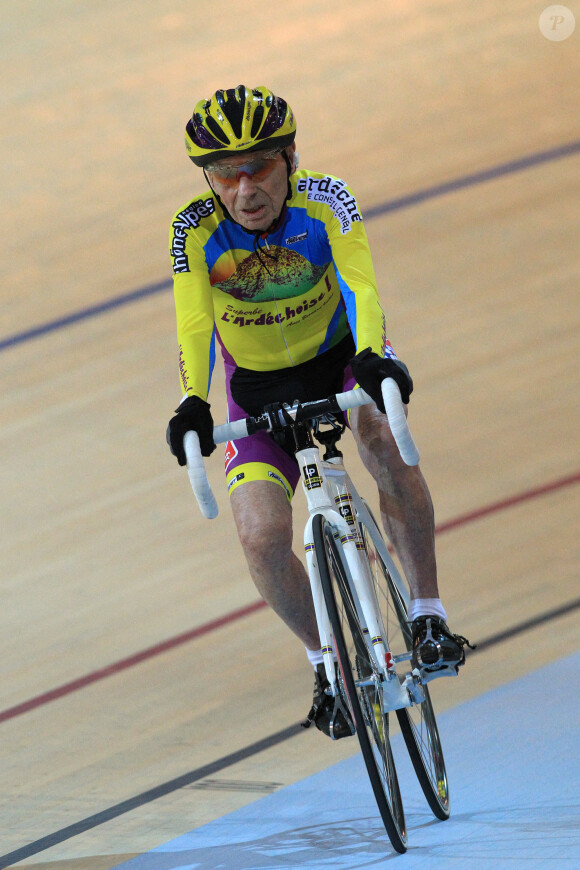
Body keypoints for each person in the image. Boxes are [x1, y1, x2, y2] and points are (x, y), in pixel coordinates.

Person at [166, 85, 471, 738]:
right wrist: (193, 400)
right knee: (259, 535)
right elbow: (193, 319)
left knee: (386, 444)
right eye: (225, 173)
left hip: (342, 359)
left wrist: (371, 357)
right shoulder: (193, 228)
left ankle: (426, 615)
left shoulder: (326, 198)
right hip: (255, 390)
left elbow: (359, 280)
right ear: (208, 179)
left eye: (260, 168)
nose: (244, 189)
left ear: (291, 157)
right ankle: (327, 663)